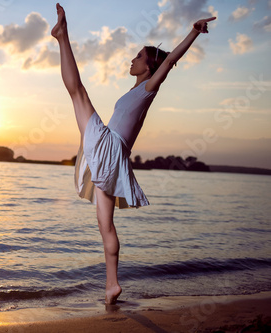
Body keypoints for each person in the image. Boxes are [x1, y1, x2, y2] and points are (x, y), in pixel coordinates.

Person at [51, 3, 216, 305]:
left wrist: (193, 32)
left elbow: (170, 61)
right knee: (106, 227)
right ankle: (111, 285)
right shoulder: (132, 91)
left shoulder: (150, 87)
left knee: (78, 93)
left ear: (150, 67)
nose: (133, 59)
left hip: (110, 147)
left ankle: (62, 36)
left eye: (139, 56)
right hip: (114, 157)